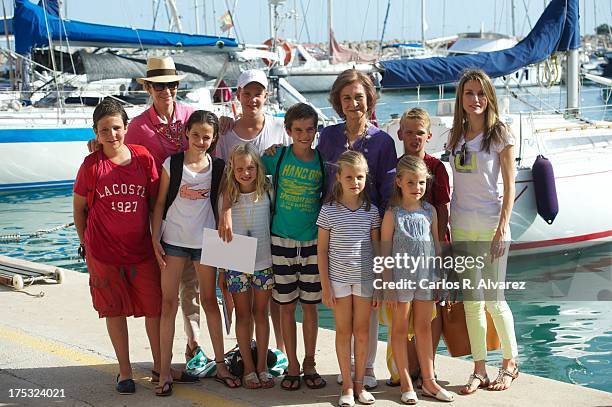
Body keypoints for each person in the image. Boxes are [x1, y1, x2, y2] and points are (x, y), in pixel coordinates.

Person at [117, 56, 204, 366]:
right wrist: (96, 145)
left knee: (192, 287)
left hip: (193, 217)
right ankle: (161, 359)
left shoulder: (192, 116)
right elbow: (118, 153)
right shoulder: (138, 127)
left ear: (177, 86)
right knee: (161, 291)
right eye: (158, 85)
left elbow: (215, 142)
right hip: (157, 217)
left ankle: (193, 343)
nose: (165, 90)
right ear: (149, 88)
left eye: (170, 84)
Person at [73, 98, 161, 395]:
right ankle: (124, 370)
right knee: (114, 311)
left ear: (126, 127)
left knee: (154, 309)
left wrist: (156, 238)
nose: (112, 135)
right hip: (104, 253)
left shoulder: (143, 158)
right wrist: (85, 243)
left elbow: (153, 204)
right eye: (104, 130)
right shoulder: (91, 166)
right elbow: (79, 209)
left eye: (116, 128)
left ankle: (161, 366)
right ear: (96, 133)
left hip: (141, 251)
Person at [318, 69, 397, 389]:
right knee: (342, 310)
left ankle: (367, 367)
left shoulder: (382, 141)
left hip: (370, 228)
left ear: (370, 100)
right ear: (338, 101)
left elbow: (390, 189)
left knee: (368, 309)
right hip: (336, 229)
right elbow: (320, 178)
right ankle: (348, 368)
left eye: (359, 97)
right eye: (347, 97)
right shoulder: (329, 137)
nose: (353, 103)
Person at [446, 69, 519, 394]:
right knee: (473, 302)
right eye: (469, 93)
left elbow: (509, 183)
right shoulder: (455, 135)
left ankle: (509, 363)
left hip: (490, 228)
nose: (475, 99)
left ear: (488, 97)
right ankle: (479, 369)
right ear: (460, 98)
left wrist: (503, 227)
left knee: (494, 300)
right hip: (461, 226)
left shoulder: (500, 134)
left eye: (480, 93)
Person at [150, 111, 225, 396]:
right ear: (186, 134)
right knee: (168, 304)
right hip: (174, 242)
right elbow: (159, 204)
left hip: (206, 242)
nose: (201, 141)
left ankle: (220, 364)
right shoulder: (173, 163)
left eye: (207, 136)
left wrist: (226, 218)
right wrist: (155, 238)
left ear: (214, 138)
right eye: (196, 135)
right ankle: (165, 371)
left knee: (209, 301)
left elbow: (225, 198)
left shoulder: (218, 167)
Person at [216, 69, 290, 354]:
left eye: (257, 93)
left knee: (271, 298)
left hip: (270, 222)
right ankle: (244, 353)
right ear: (238, 96)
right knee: (237, 297)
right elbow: (222, 179)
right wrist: (224, 212)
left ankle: (279, 353)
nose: (252, 99)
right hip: (235, 221)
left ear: (266, 95)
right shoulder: (226, 133)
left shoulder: (279, 128)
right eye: (246, 93)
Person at [261, 102, 326, 391]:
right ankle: (293, 364)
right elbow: (245, 173)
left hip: (312, 242)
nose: (304, 134)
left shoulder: (322, 160)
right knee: (286, 307)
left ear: (315, 131)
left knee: (310, 308)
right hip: (281, 239)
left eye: (309, 129)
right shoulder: (279, 156)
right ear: (288, 131)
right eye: (298, 130)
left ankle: (310, 362)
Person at [380, 155, 455, 404]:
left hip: (425, 278)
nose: (417, 188)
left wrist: (439, 277)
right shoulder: (393, 215)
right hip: (400, 281)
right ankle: (405, 382)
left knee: (424, 328)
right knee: (400, 330)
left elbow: (434, 245)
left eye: (421, 183)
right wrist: (388, 284)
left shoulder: (430, 211)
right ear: (399, 182)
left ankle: (429, 381)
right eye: (411, 182)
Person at [385, 107, 451, 386]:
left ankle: (429, 371)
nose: (414, 138)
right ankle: (404, 373)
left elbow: (443, 214)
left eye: (419, 133)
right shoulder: (395, 173)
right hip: (400, 266)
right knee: (400, 324)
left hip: (428, 259)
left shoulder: (437, 169)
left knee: (427, 319)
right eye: (408, 132)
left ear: (429, 136)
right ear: (400, 134)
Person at [317, 151, 380, 406]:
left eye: (360, 177)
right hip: (339, 281)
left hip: (365, 281)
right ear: (339, 177)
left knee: (362, 332)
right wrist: (325, 286)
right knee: (343, 331)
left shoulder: (372, 212)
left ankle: (360, 383)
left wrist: (378, 285)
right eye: (350, 177)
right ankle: (345, 384)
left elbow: (378, 251)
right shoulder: (329, 211)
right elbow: (321, 250)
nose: (355, 182)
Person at [218, 143, 275, 389]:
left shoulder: (268, 189)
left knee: (261, 314)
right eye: (240, 168)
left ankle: (262, 366)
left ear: (257, 168)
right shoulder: (226, 196)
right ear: (232, 168)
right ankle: (248, 368)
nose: (246, 173)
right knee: (243, 315)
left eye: (251, 167)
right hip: (237, 259)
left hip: (264, 260)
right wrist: (222, 269)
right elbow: (220, 233)